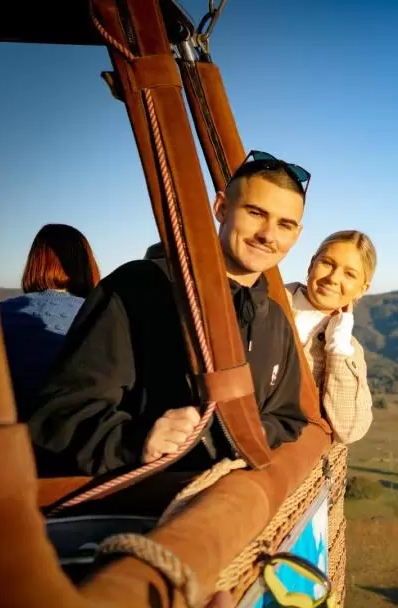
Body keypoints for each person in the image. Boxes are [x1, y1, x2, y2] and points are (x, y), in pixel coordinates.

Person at [27, 151, 310, 483]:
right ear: (221, 208)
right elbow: (57, 417)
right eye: (255, 213)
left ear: (296, 235)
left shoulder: (274, 320)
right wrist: (136, 441)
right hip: (141, 510)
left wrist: (251, 431)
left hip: (223, 512)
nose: (268, 234)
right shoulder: (137, 289)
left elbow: (287, 417)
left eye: (284, 224)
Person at [0, 224, 101, 420]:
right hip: (76, 440)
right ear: (86, 265)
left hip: (10, 440)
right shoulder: (99, 315)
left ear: (33, 264)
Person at [284, 230, 375, 445]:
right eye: (327, 263)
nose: (333, 278)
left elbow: (350, 430)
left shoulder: (348, 349)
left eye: (349, 274)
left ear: (362, 289)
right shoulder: (265, 301)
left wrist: (338, 345)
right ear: (311, 264)